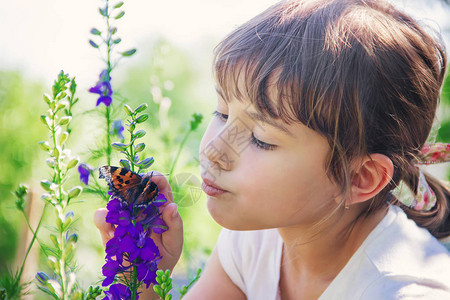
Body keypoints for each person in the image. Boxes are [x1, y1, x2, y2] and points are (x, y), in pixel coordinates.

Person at [95, 0, 450, 298]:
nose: (214, 151)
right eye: (221, 112)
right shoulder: (254, 242)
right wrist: (140, 279)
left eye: (262, 138)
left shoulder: (402, 291)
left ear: (360, 177)